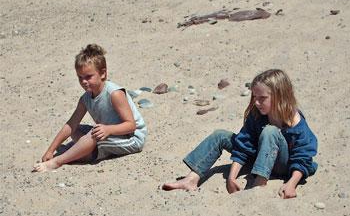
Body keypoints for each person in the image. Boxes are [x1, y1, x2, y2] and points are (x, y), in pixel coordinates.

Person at [162, 69, 318, 198]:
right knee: (220, 135)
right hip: (258, 156)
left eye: (262, 98)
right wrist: (231, 177)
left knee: (270, 131)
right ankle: (191, 179)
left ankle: (260, 182)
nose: (256, 103)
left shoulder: (296, 123)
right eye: (254, 97)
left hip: (282, 165)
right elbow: (245, 144)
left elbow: (303, 158)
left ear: (280, 97)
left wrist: (291, 184)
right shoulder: (258, 113)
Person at [33, 44, 147, 172]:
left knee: (93, 135)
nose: (84, 81)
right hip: (110, 132)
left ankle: (58, 161)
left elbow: (131, 125)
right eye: (80, 77)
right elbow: (70, 124)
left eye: (88, 77)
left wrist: (108, 129)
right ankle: (85, 152)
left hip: (131, 138)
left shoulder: (114, 93)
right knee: (76, 129)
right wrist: (51, 150)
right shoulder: (85, 99)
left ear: (103, 73)